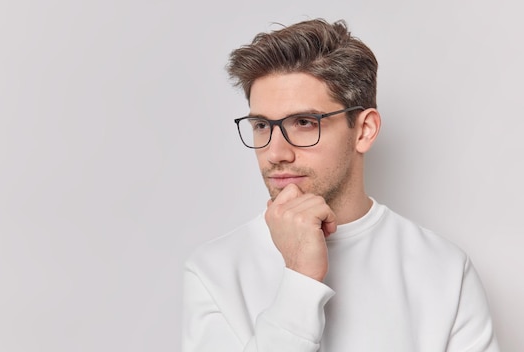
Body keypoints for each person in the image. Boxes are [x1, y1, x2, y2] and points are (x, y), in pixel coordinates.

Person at [181, 18, 499, 352]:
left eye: (304, 123)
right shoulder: (213, 270)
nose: (275, 153)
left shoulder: (444, 270)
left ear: (364, 131)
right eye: (262, 125)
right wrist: (300, 277)